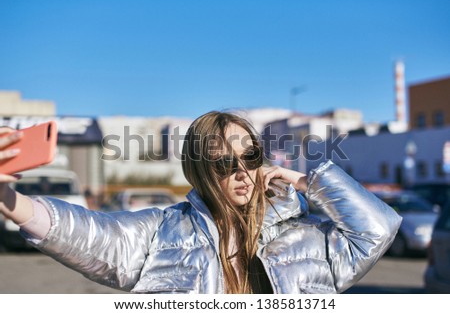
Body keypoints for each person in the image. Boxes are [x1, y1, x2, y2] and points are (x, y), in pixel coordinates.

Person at [0, 111, 402, 294]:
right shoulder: (163, 231)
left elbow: (377, 229)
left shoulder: (307, 235)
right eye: (226, 163)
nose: (242, 171)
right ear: (200, 172)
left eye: (251, 156)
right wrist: (9, 199)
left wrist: (307, 180)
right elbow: (93, 234)